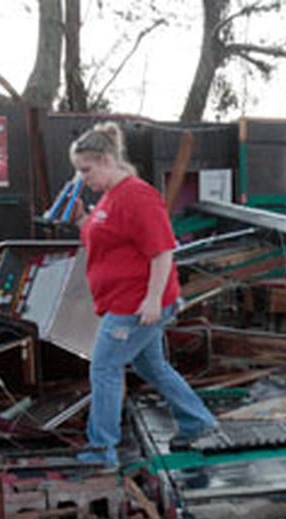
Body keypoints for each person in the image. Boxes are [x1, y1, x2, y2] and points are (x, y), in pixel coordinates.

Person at [67, 122, 218, 468]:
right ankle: (197, 421)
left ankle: (100, 449)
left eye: (86, 170)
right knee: (152, 366)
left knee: (104, 367)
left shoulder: (138, 196)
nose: (82, 178)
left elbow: (163, 251)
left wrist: (152, 300)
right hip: (123, 300)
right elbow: (106, 238)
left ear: (106, 160)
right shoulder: (109, 196)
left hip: (135, 304)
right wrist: (81, 220)